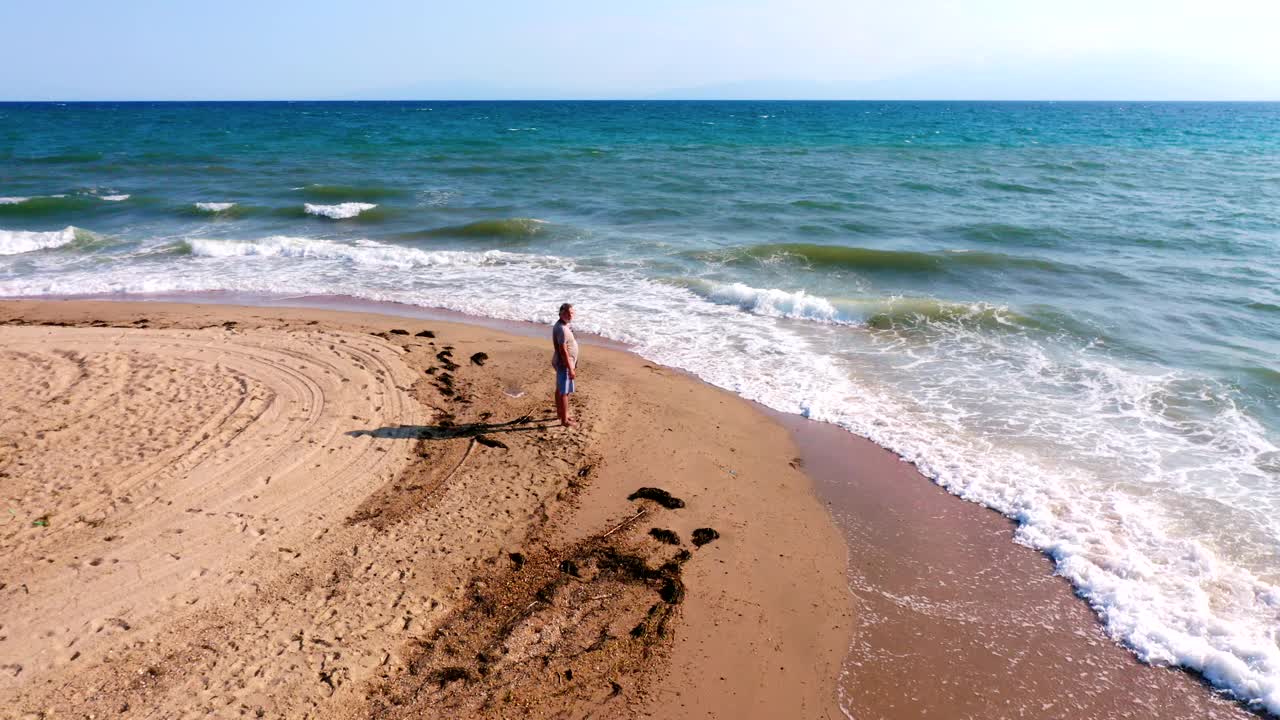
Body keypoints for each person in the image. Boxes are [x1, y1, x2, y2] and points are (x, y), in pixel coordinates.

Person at [551, 303, 579, 427]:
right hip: (564, 364)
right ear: (561, 313)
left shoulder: (564, 325)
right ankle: (564, 420)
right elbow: (563, 350)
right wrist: (570, 368)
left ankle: (560, 414)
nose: (570, 315)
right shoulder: (561, 329)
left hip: (562, 362)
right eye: (567, 313)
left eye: (572, 313)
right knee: (564, 392)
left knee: (560, 389)